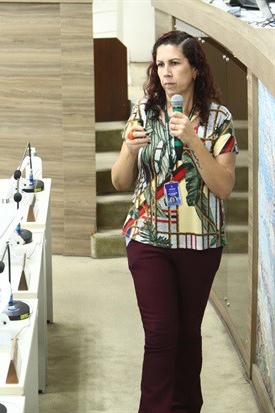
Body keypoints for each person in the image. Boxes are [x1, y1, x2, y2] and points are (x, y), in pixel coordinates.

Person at [111, 30, 237, 412]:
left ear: (195, 69)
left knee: (187, 335)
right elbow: (119, 181)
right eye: (160, 65)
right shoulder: (144, 111)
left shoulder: (219, 119)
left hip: (200, 242)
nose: (166, 72)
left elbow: (223, 187)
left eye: (175, 63)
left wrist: (194, 141)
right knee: (161, 334)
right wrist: (129, 150)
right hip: (148, 236)